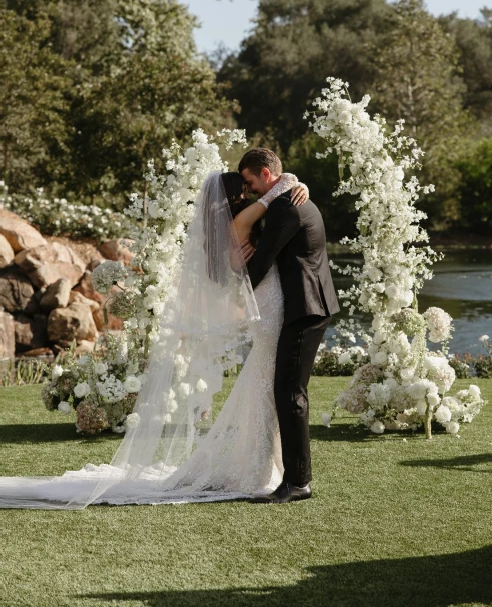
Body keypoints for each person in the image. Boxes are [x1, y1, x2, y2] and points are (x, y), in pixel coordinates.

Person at [0, 169, 314, 508]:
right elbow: (265, 215)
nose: (253, 192)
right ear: (237, 196)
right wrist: (286, 184)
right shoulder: (241, 221)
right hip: (269, 311)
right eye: (247, 188)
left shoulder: (235, 222)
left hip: (271, 309)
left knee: (266, 389)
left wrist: (294, 182)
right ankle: (272, 471)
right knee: (270, 388)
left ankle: (273, 466)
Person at [239, 148, 339, 503]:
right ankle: (295, 478)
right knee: (288, 389)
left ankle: (298, 482)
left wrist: (231, 282)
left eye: (250, 181)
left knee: (290, 392)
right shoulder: (288, 196)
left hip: (306, 307)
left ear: (266, 174)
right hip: (307, 304)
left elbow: (263, 259)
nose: (248, 189)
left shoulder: (286, 205)